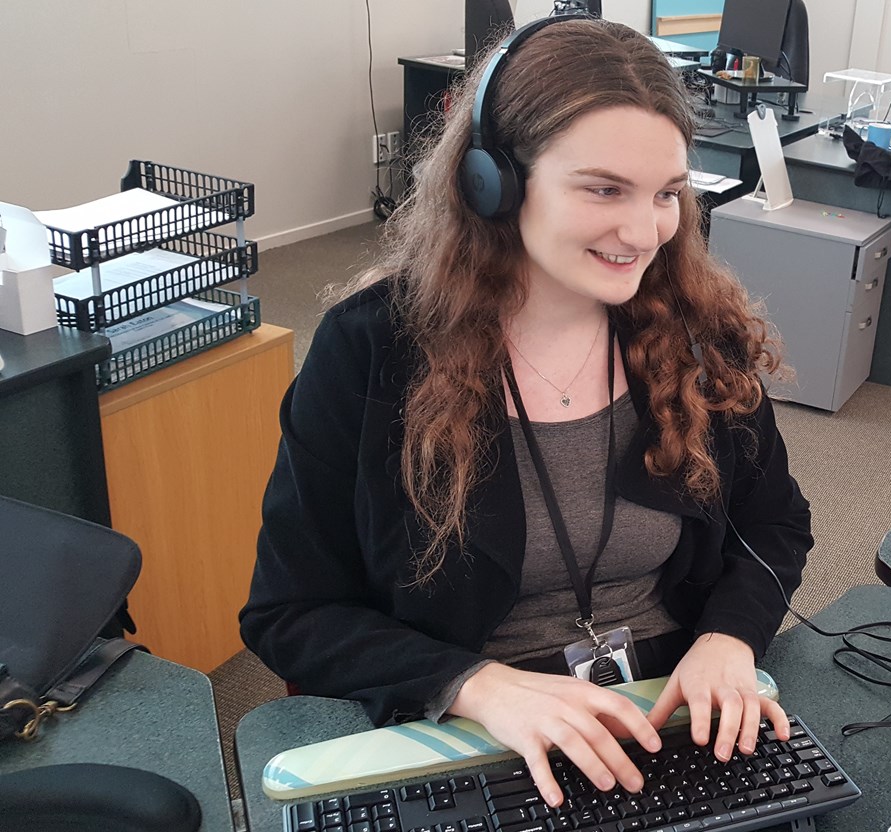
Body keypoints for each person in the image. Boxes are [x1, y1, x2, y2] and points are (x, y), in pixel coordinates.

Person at [240, 15, 812, 810]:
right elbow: (290, 611)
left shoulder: (693, 332)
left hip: (670, 707)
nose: (645, 231)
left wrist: (730, 637)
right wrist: (471, 683)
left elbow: (775, 523)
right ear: (492, 181)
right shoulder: (372, 350)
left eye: (667, 194)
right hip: (475, 723)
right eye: (604, 189)